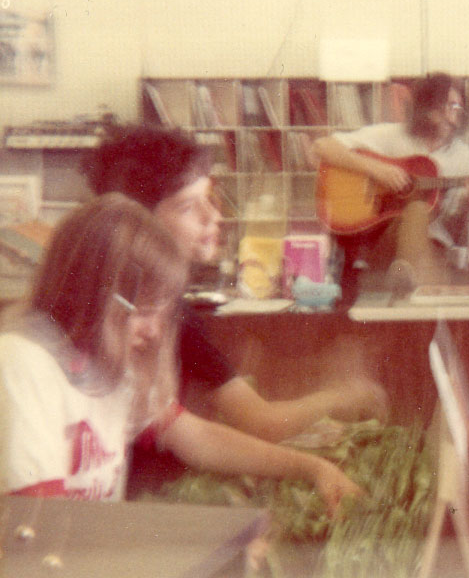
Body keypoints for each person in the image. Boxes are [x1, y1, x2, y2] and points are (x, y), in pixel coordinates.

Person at [0, 195, 360, 511]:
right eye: (140, 311)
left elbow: (198, 438)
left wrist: (312, 468)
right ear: (90, 295)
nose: (154, 331)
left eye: (161, 313)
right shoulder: (22, 360)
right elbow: (39, 532)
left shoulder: (109, 353)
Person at [82, 126, 387, 496]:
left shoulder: (162, 306)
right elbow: (262, 422)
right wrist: (345, 394)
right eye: (188, 206)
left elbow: (181, 428)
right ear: (136, 223)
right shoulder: (152, 316)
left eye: (209, 198)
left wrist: (310, 467)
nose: (214, 216)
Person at [314, 72, 469, 292]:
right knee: (418, 211)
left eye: (457, 108)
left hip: (433, 248)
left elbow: (451, 226)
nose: (453, 116)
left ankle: (407, 280)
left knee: (419, 212)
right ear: (426, 107)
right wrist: (377, 169)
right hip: (384, 244)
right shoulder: (392, 135)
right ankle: (409, 282)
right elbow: (322, 146)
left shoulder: (464, 156)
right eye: (447, 106)